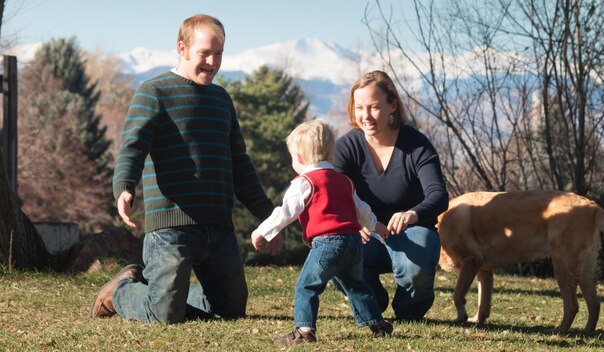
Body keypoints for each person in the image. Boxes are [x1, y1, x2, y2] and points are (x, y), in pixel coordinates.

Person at [90, 14, 281, 323]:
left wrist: (269, 217)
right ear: (182, 48)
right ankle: (122, 290)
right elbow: (132, 147)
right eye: (205, 53)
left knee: (230, 311)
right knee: (164, 314)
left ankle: (171, 293)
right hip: (170, 227)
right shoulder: (154, 93)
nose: (213, 61)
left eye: (218, 53)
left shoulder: (221, 100)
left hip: (218, 225)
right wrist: (124, 187)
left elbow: (240, 164)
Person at [251, 120, 393, 345]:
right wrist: (375, 225)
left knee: (307, 285)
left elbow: (285, 212)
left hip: (328, 243)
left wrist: (262, 231)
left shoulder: (305, 182)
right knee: (357, 284)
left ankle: (304, 332)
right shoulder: (345, 181)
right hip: (354, 243)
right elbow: (362, 210)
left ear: (298, 157)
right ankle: (377, 324)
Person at [333, 70, 449, 321]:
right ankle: (371, 302)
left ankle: (408, 311)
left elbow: (439, 195)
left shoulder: (416, 144)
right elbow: (333, 196)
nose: (366, 116)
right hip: (366, 235)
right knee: (332, 250)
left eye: (374, 107)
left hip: (410, 233)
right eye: (360, 107)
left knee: (415, 268)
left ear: (392, 105)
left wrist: (413, 214)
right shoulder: (345, 147)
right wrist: (354, 223)